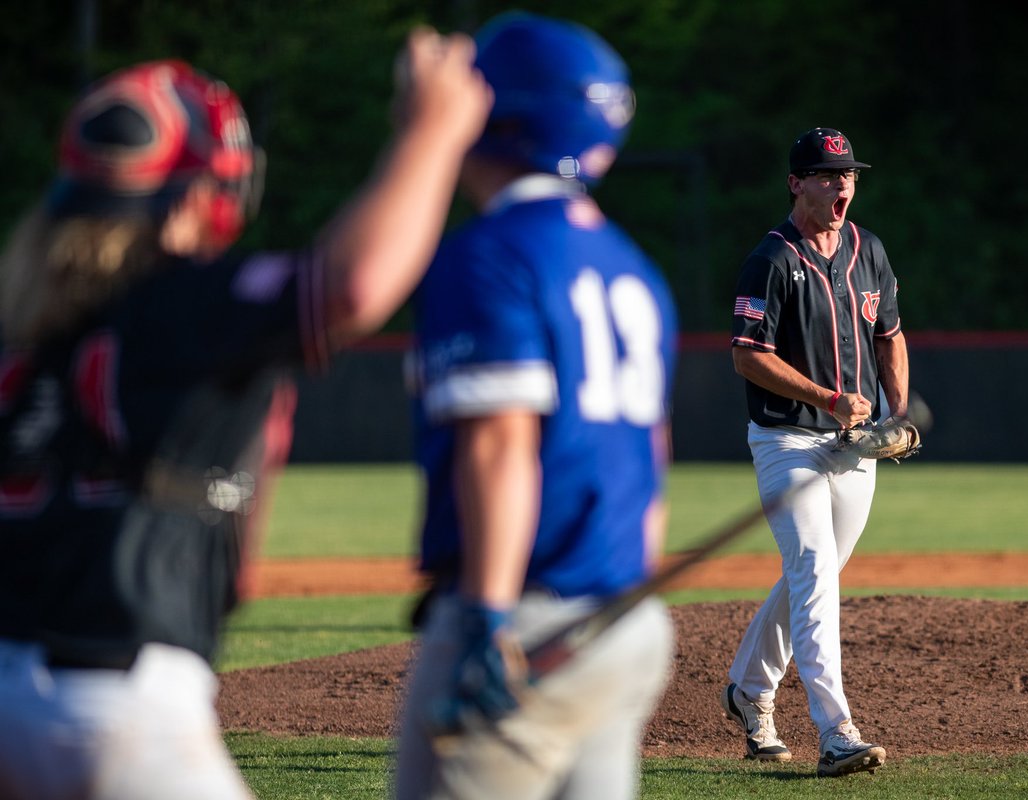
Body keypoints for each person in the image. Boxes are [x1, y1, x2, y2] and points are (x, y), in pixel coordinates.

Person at [0, 31, 490, 800]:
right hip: (114, 700)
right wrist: (431, 130)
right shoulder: (171, 301)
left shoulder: (23, 325)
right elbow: (351, 287)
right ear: (205, 192)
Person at [395, 12, 678, 800]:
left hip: (523, 620)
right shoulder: (634, 267)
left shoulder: (488, 253)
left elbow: (499, 446)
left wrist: (486, 616)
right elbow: (651, 454)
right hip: (622, 618)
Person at [720, 127, 909, 777]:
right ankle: (836, 732)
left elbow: (890, 334)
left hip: (852, 444)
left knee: (817, 575)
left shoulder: (867, 249)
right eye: (827, 176)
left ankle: (747, 690)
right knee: (813, 572)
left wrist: (896, 411)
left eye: (849, 175)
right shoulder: (770, 260)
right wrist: (830, 398)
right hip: (787, 439)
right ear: (796, 183)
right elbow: (748, 356)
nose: (841, 185)